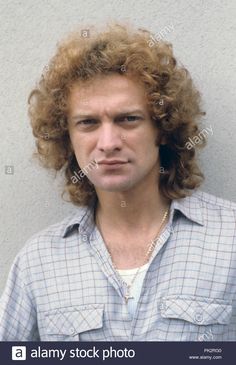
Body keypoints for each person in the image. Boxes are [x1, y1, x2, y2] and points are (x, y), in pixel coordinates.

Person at [0, 23, 235, 342]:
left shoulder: (229, 241)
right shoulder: (38, 261)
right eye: (88, 123)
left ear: (162, 128)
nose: (108, 142)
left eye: (128, 119)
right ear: (67, 137)